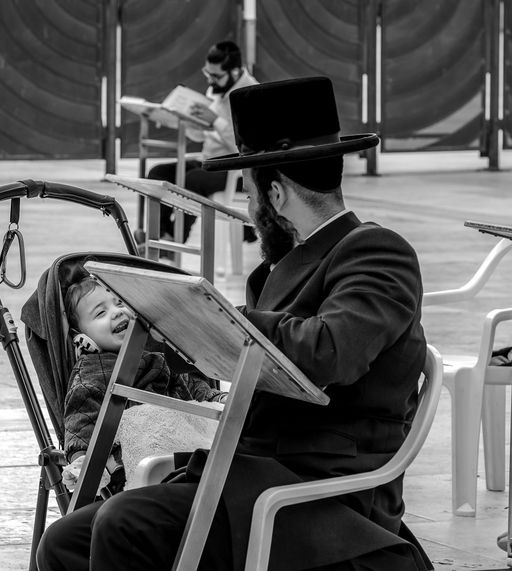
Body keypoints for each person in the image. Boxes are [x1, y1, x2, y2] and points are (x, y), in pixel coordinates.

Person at [37, 76, 432, 571]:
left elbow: (331, 351)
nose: (248, 207)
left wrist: (218, 320)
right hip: (252, 472)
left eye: (248, 193)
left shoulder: (376, 251)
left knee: (125, 522)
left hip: (325, 491)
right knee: (65, 541)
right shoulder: (276, 270)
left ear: (276, 193)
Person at [61, 274, 226, 493]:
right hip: (133, 467)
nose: (117, 312)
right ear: (81, 337)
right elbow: (81, 421)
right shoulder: (89, 373)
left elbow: (196, 390)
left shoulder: (160, 355)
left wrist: (221, 399)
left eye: (121, 303)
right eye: (100, 313)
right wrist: (82, 460)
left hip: (187, 452)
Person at [146, 40, 258, 244]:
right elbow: (202, 136)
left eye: (216, 76)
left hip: (238, 169)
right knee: (158, 173)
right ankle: (158, 235)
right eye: (207, 73)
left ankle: (176, 239)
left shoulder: (251, 94)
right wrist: (186, 120)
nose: (210, 80)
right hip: (210, 161)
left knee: (193, 179)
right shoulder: (215, 89)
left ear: (235, 72)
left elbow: (248, 145)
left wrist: (215, 120)